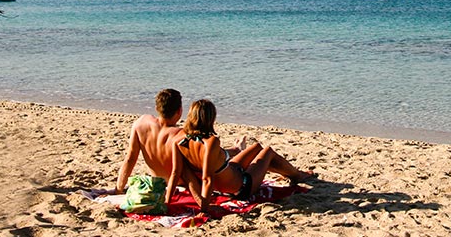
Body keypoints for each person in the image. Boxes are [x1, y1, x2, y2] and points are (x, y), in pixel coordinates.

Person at [165, 99, 315, 213]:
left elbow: (175, 173)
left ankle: (287, 172)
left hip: (228, 174)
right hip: (241, 187)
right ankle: (297, 176)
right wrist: (205, 209)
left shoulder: (179, 143)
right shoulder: (211, 142)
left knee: (256, 148)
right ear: (211, 119)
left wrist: (167, 202)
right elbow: (207, 177)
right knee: (268, 152)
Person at [115, 89, 244, 197]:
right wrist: (234, 150)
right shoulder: (180, 135)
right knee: (232, 165)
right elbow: (209, 156)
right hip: (179, 183)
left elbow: (129, 160)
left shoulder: (140, 123)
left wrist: (119, 189)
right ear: (179, 111)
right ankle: (238, 150)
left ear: (157, 108)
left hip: (159, 181)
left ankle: (237, 151)